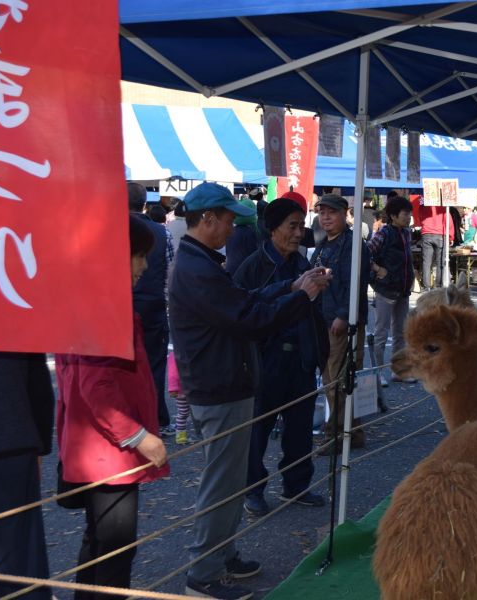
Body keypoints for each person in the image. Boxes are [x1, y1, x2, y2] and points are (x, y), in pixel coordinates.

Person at [169, 183, 330, 600]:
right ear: (206, 219)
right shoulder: (197, 268)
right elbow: (248, 317)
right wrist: (302, 295)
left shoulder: (202, 262)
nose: (232, 228)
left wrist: (291, 288)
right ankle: (202, 576)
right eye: (227, 219)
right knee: (222, 484)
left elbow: (243, 299)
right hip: (219, 387)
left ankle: (221, 555)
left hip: (226, 383)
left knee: (229, 482)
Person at [55, 215, 171, 600]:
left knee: (100, 543)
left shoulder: (86, 298)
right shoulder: (103, 306)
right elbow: (97, 388)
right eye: (138, 256)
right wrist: (140, 437)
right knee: (115, 550)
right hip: (109, 453)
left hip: (96, 449)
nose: (144, 266)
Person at [234, 196, 329, 516]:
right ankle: (253, 490)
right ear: (272, 229)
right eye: (292, 226)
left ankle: (297, 485)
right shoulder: (253, 267)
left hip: (300, 357)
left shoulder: (303, 263)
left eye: (301, 226)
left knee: (300, 427)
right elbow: (246, 312)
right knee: (258, 427)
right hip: (266, 358)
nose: (299, 233)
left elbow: (313, 311)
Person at [0, 352, 54, 600]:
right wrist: (40, 442)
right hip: (10, 434)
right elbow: (38, 383)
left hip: (12, 439)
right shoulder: (10, 314)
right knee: (21, 561)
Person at [310, 194, 370, 449]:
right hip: (324, 318)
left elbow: (354, 283)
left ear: (345, 213)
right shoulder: (325, 243)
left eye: (331, 212)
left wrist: (344, 316)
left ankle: (336, 435)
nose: (325, 217)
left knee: (336, 381)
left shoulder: (353, 244)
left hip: (341, 320)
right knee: (333, 379)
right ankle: (352, 431)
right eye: (322, 213)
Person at [129, 182, 174, 437]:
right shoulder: (160, 231)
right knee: (154, 362)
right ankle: (154, 418)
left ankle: (128, 417)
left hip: (118, 303)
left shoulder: (108, 225)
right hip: (153, 302)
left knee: (121, 362)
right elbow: (169, 266)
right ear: (144, 203)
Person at [367, 195, 415, 387]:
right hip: (385, 291)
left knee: (400, 333)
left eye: (410, 213)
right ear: (393, 216)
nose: (409, 217)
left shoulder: (407, 233)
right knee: (381, 333)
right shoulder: (383, 234)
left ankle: (399, 372)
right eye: (405, 214)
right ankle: (378, 373)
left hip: (402, 291)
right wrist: (378, 270)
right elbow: (365, 254)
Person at [412, 195, 454, 290]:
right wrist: (451, 236)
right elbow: (448, 221)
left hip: (426, 234)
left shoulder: (423, 205)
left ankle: (426, 286)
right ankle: (438, 286)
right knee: (440, 262)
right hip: (441, 235)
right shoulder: (443, 206)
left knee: (426, 262)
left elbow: (420, 218)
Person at [225, 199, 261, 276]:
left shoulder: (231, 231)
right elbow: (254, 255)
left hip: (230, 270)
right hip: (243, 273)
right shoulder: (249, 232)